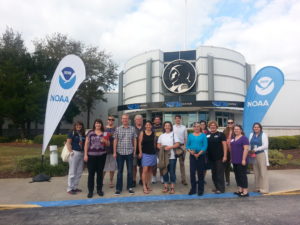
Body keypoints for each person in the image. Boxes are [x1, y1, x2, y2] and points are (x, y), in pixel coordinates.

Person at [84, 119, 109, 198]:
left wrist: (104, 141)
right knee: (91, 174)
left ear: (101, 125)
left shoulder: (105, 133)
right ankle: (90, 191)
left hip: (102, 156)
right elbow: (86, 144)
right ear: (94, 124)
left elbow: (108, 144)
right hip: (91, 156)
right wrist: (85, 155)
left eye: (99, 123)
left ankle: (99, 190)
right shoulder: (90, 133)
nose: (98, 125)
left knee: (100, 173)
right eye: (96, 123)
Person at [113, 114, 137, 195]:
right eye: (123, 118)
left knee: (130, 171)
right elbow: (115, 140)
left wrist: (134, 151)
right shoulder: (118, 129)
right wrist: (114, 152)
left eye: (126, 118)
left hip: (130, 152)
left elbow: (134, 140)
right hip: (120, 153)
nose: (125, 120)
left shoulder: (132, 129)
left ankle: (129, 187)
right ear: (121, 120)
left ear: (128, 119)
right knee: (119, 171)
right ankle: (118, 188)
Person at [157, 121, 180, 194]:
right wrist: (163, 147)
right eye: (166, 125)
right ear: (164, 127)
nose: (167, 127)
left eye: (168, 125)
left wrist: (170, 147)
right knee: (164, 172)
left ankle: (172, 187)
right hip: (163, 157)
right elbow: (158, 145)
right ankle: (166, 186)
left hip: (172, 157)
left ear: (170, 127)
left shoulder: (174, 134)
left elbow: (177, 144)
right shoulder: (161, 135)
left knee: (172, 172)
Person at [186, 122, 208, 196]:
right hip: (192, 156)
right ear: (193, 128)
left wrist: (199, 154)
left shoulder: (203, 135)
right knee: (192, 173)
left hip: (200, 156)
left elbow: (205, 146)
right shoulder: (190, 135)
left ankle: (200, 190)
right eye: (195, 126)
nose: (196, 128)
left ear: (200, 127)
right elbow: (187, 145)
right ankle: (193, 189)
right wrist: (190, 151)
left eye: (198, 126)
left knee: (200, 173)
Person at [206, 120, 227, 194]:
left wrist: (225, 156)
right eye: (211, 126)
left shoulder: (221, 134)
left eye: (214, 125)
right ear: (209, 127)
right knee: (213, 174)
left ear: (216, 126)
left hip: (220, 157)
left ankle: (221, 189)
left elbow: (225, 145)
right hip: (211, 158)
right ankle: (217, 187)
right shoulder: (207, 135)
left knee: (219, 174)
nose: (212, 127)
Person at [249, 122, 269, 194]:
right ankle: (257, 187)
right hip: (253, 155)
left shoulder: (263, 134)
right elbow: (249, 144)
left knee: (263, 172)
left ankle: (264, 189)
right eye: (255, 127)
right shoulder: (251, 134)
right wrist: (249, 151)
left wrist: (256, 149)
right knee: (256, 172)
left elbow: (266, 146)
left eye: (257, 127)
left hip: (261, 154)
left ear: (260, 128)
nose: (256, 128)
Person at [66, 121, 85, 195]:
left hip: (81, 153)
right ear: (75, 126)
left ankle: (75, 187)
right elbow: (68, 143)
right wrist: (71, 151)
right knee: (72, 171)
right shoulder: (72, 132)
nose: (79, 126)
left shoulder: (82, 133)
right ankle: (69, 188)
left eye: (80, 125)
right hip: (75, 153)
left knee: (79, 171)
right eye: (77, 125)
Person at [230, 125, 249, 197]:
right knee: (237, 175)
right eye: (235, 129)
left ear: (241, 130)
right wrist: (231, 158)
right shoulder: (233, 138)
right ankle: (240, 190)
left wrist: (243, 159)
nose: (236, 130)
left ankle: (245, 191)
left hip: (241, 160)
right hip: (234, 160)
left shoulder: (244, 138)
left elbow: (246, 149)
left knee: (242, 176)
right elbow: (232, 149)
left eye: (238, 129)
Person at [138, 121, 156, 194]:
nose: (148, 126)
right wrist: (140, 152)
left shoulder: (153, 133)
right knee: (145, 170)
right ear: (145, 126)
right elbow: (139, 143)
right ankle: (144, 186)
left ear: (151, 126)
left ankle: (148, 185)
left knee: (150, 170)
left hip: (152, 153)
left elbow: (154, 144)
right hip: (145, 154)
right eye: (147, 125)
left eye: (149, 125)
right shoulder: (142, 133)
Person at [173, 115, 188, 185]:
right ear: (174, 120)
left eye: (179, 119)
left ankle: (183, 179)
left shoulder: (184, 127)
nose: (177, 120)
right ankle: (173, 179)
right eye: (176, 119)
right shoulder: (172, 127)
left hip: (182, 147)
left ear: (180, 119)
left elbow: (186, 138)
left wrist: (185, 147)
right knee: (173, 164)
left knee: (182, 164)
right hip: (174, 147)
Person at [103, 116, 117, 188]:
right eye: (109, 119)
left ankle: (111, 181)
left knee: (112, 168)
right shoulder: (103, 128)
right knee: (103, 167)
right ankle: (101, 181)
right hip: (104, 151)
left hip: (113, 151)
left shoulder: (116, 129)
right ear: (107, 120)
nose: (111, 120)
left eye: (112, 119)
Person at [152, 116, 164, 184]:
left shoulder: (163, 127)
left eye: (158, 119)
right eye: (156, 119)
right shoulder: (151, 127)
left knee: (161, 164)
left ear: (160, 120)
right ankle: (154, 177)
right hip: (153, 149)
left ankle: (162, 177)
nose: (157, 121)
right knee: (154, 164)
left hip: (161, 148)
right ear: (154, 121)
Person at [133, 114, 144, 187]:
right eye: (137, 119)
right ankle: (133, 180)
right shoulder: (132, 128)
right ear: (135, 121)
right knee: (134, 166)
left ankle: (141, 179)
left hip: (143, 151)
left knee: (142, 166)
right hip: (134, 151)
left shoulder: (145, 128)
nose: (139, 120)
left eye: (140, 119)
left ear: (142, 120)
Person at [223, 119, 235, 186]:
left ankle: (239, 181)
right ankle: (227, 181)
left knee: (236, 167)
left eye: (231, 122)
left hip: (235, 151)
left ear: (233, 123)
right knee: (226, 167)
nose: (230, 123)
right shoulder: (225, 130)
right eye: (228, 122)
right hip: (227, 151)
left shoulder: (237, 129)